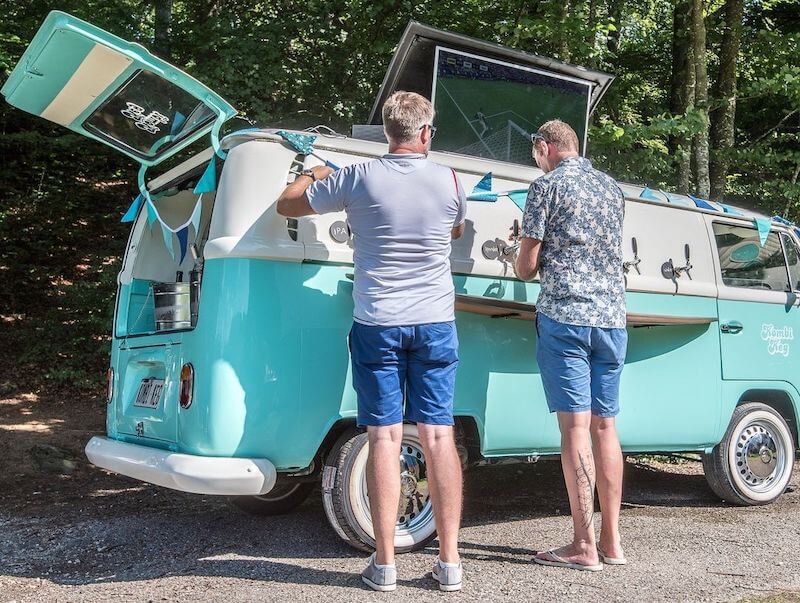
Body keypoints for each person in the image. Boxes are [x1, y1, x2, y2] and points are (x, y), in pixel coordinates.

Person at [276, 91, 467, 592]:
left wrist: (315, 173)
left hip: (378, 321)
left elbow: (285, 205)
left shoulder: (357, 177)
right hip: (434, 322)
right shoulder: (449, 179)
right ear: (426, 133)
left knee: (383, 436)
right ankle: (449, 565)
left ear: (387, 133)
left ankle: (384, 566)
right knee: (439, 436)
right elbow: (456, 228)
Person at [513, 120, 628, 572]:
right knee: (606, 428)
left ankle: (583, 546)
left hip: (566, 319)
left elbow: (526, 266)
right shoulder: (611, 188)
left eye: (535, 153)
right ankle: (612, 543)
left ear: (544, 147)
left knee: (575, 430)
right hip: (613, 320)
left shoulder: (546, 187)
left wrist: (518, 251)